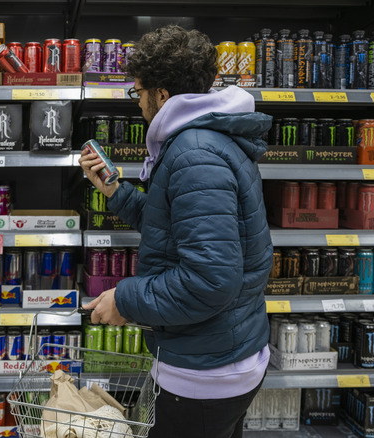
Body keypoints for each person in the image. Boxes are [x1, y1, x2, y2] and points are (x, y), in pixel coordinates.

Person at [80, 25, 273, 438]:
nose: (139, 105)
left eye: (139, 93)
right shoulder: (205, 140)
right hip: (219, 353)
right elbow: (178, 228)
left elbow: (210, 280)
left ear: (162, 95)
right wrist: (115, 191)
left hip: (209, 371)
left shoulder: (194, 152)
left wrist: (125, 299)